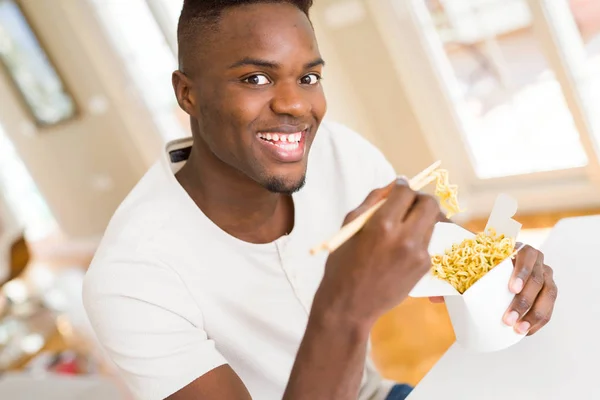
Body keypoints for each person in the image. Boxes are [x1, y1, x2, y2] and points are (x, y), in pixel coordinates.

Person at [82, 1, 558, 399]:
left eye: (308, 78)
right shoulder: (130, 279)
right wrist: (345, 307)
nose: (295, 105)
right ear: (187, 94)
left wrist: (497, 267)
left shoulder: (334, 149)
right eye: (255, 78)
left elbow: (439, 242)